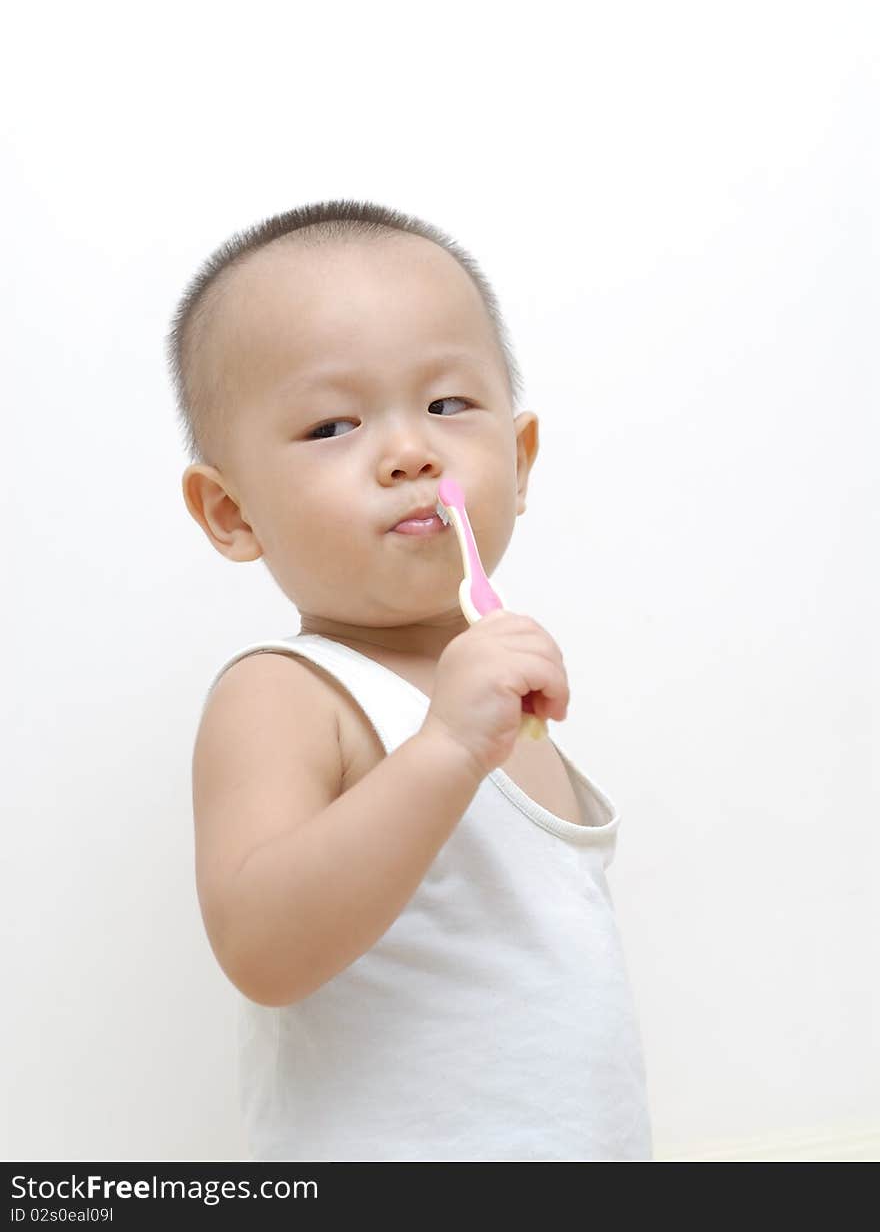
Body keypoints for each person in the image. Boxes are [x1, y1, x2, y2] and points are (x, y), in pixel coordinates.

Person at [166, 198, 653, 1162]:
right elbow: (262, 950)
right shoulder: (287, 694)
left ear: (517, 460)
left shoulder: (492, 682)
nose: (410, 450)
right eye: (333, 423)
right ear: (230, 512)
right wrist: (444, 748)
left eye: (446, 405)